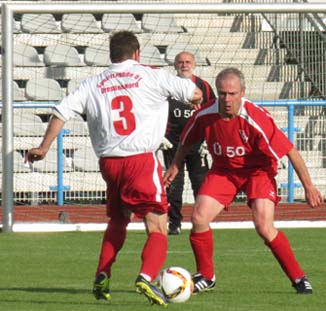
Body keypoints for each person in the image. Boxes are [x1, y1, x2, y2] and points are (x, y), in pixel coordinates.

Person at [26, 30, 202, 306]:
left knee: (119, 219)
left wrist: (44, 147)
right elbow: (194, 92)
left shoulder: (93, 83)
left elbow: (61, 111)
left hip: (109, 164)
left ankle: (102, 273)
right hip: (141, 160)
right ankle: (146, 277)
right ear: (136, 54)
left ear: (111, 56)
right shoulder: (150, 74)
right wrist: (195, 98)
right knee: (158, 226)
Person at [163, 67, 323, 295]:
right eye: (222, 94)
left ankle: (299, 278)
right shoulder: (205, 115)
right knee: (198, 217)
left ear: (243, 93)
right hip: (224, 171)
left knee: (264, 227)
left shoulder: (256, 118)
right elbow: (186, 141)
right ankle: (206, 276)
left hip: (257, 172)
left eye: (232, 94)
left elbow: (290, 150)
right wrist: (175, 166)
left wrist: (308, 186)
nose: (227, 99)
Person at [162, 51, 216, 235]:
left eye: (187, 62)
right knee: (174, 184)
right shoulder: (167, 86)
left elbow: (214, 112)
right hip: (173, 144)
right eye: (180, 62)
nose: (184, 65)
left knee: (200, 183)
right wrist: (161, 136)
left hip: (197, 143)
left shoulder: (204, 87)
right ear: (175, 65)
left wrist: (209, 138)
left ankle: (201, 220)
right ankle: (174, 223)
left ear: (194, 64)